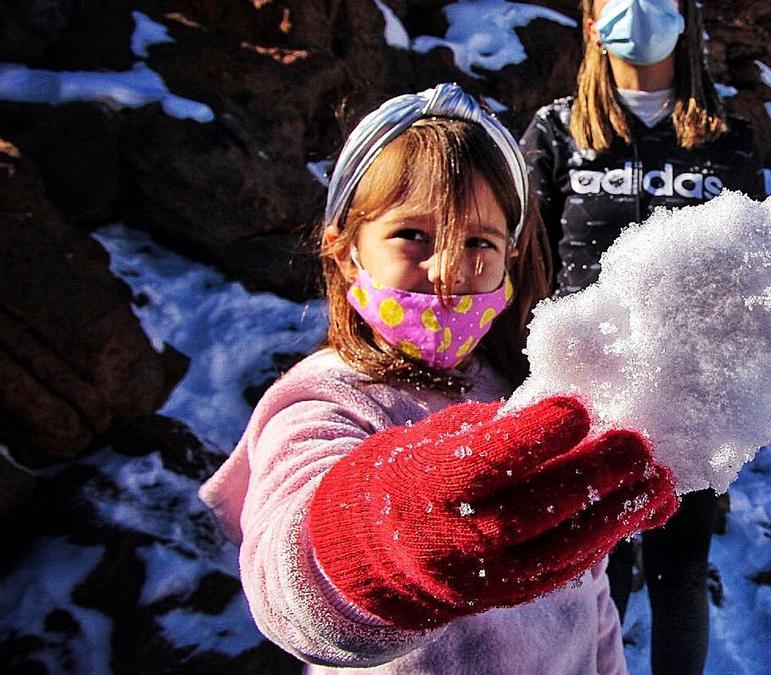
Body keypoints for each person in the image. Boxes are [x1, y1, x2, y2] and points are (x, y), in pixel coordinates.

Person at [199, 83, 679, 674]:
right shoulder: (324, 400)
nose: (449, 270)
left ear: (511, 257)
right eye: (413, 236)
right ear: (346, 250)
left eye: (480, 241)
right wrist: (378, 545)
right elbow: (287, 580)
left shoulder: (521, 390)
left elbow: (587, 600)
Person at [520, 2, 771, 672]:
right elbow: (523, 261)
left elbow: (746, 274)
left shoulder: (727, 137)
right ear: (591, 21)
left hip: (689, 400)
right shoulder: (556, 131)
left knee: (679, 574)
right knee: (595, 577)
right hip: (583, 403)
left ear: (684, 19)